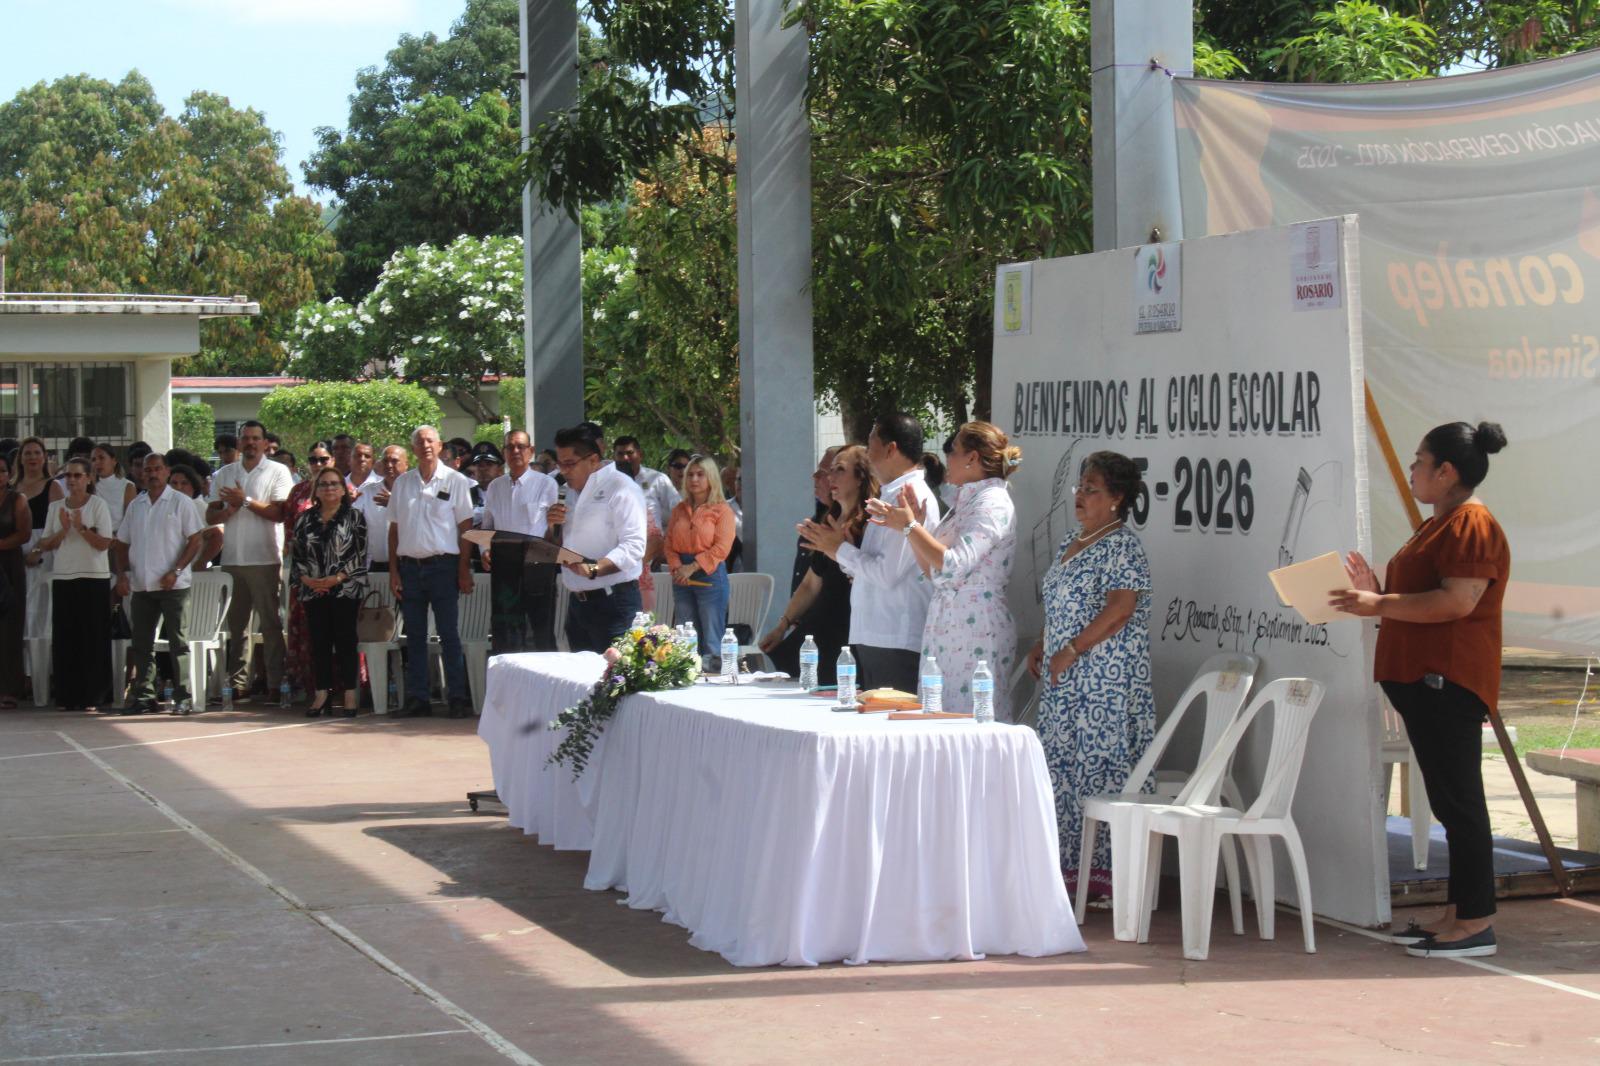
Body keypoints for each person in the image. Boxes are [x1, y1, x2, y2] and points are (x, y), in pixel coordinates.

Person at [1332, 421, 1511, 959]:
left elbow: (1457, 602)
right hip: (1421, 681)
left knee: (1461, 801)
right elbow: (1421, 598)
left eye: (1419, 461)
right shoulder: (1439, 524)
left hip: (1447, 682)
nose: (1412, 471)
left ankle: (1475, 922)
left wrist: (1379, 606)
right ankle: (1458, 913)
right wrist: (1378, 593)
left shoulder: (1472, 525)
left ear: (1446, 471)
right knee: (1449, 801)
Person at [1026, 451, 1154, 897]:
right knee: (1063, 769)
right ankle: (1067, 870)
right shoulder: (1070, 541)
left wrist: (1072, 649)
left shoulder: (1122, 545)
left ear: (1117, 498)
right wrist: (1045, 643)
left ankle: (1103, 881)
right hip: (1066, 680)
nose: (1079, 496)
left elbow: (1120, 609)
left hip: (1104, 682)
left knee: (1099, 769)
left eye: (1092, 490)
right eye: (1079, 487)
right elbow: (1061, 603)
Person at [866, 422, 1021, 716]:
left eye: (952, 449)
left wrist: (910, 526)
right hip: (948, 627)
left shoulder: (993, 503)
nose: (946, 457)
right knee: (939, 718)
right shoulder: (968, 500)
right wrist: (916, 527)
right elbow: (933, 572)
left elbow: (954, 566)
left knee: (971, 723)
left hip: (976, 630)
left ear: (972, 458)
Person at [801, 414, 940, 692]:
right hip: (876, 631)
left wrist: (838, 549)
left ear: (891, 449)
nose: (867, 451)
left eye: (871, 443)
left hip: (895, 634)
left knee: (894, 728)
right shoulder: (889, 494)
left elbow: (886, 574)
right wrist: (842, 551)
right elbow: (873, 568)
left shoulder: (909, 496)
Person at [761, 445, 875, 685]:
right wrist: (782, 625)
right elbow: (811, 583)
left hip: (853, 629)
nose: (830, 478)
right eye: (830, 471)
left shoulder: (871, 524)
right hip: (823, 626)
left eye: (840, 470)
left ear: (860, 477)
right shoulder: (828, 520)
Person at [387, 425, 475, 718]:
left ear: (440, 446)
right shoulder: (402, 484)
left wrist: (463, 570)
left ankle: (458, 697)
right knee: (414, 636)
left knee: (449, 634)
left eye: (430, 441)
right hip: (410, 568)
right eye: (419, 442)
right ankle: (418, 698)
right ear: (413, 449)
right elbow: (394, 530)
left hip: (443, 567)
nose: (425, 445)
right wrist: (394, 572)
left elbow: (466, 528)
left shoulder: (456, 480)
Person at [114, 452, 205, 716]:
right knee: (142, 644)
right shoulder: (136, 505)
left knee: (178, 643)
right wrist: (122, 575)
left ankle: (183, 697)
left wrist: (176, 570)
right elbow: (121, 543)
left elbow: (196, 539)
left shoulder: (180, 502)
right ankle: (145, 697)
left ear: (166, 471)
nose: (152, 474)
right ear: (141, 473)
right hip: (142, 586)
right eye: (147, 469)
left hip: (173, 586)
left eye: (157, 469)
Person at [209, 420, 293, 701]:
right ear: (239, 441)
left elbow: (280, 513)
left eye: (255, 438)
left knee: (270, 624)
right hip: (233, 558)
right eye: (245, 438)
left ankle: (274, 682)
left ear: (265, 443)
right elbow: (210, 516)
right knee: (237, 626)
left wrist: (245, 501)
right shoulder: (224, 473)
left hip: (265, 557)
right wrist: (227, 511)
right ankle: (239, 682)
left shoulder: (277, 471)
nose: (250, 443)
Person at [545, 423, 647, 653]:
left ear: (592, 460)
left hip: (614, 602)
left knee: (618, 683)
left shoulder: (621, 488)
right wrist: (552, 527)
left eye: (569, 463)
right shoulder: (566, 492)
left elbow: (634, 546)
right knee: (581, 685)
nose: (563, 471)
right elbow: (557, 545)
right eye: (560, 463)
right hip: (577, 604)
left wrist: (594, 568)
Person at [291, 466, 369, 718]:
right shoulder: (305, 518)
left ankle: (349, 692)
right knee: (319, 642)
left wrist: (335, 578)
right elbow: (298, 554)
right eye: (323, 484)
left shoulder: (354, 517)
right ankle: (322, 692)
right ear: (316, 489)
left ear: (343, 489)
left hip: (345, 589)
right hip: (313, 590)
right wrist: (309, 580)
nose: (329, 488)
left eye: (334, 483)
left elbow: (359, 553)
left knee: (346, 641)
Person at [40, 457, 116, 711]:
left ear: (88, 478)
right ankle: (67, 695)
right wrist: (63, 530)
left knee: (93, 637)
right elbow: (45, 544)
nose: (72, 480)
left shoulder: (98, 505)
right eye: (68, 476)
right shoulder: (55, 507)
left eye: (77, 475)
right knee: (66, 638)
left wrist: (81, 528)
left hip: (93, 577)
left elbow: (104, 543)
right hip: (64, 576)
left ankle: (94, 695)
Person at [481, 429, 560, 651]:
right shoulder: (495, 487)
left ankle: (544, 684)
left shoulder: (546, 484)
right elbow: (487, 526)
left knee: (540, 631)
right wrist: (484, 550)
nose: (515, 451)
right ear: (504, 452)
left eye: (520, 446)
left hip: (537, 565)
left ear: (531, 451)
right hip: (505, 567)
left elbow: (554, 529)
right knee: (506, 631)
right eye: (510, 447)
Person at [280, 441, 341, 698]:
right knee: (304, 630)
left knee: (335, 629)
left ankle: (339, 687)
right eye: (313, 459)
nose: (318, 464)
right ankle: (309, 686)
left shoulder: (344, 490)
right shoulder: (298, 492)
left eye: (323, 459)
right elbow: (288, 530)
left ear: (333, 461)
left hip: (335, 573)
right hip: (304, 572)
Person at [665, 455, 737, 659]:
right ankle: (686, 673)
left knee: (711, 636)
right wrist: (677, 567)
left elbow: (722, 547)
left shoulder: (722, 510)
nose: (694, 479)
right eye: (690, 475)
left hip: (709, 573)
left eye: (700, 474)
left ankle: (714, 675)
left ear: (711, 478)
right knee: (685, 634)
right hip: (681, 575)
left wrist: (694, 566)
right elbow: (668, 542)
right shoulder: (679, 509)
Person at [17, 438, 63, 666]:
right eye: (28, 453)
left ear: (44, 457)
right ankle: (22, 672)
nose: (32, 457)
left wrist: (37, 550)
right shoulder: (12, 487)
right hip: (15, 553)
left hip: (45, 553)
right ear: (21, 458)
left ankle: (44, 671)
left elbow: (58, 526)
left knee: (43, 612)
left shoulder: (53, 486)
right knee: (21, 612)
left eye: (37, 452)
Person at [0, 454, 29, 708]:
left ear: (9, 474)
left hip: (10, 567)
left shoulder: (17, 499)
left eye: (1, 471)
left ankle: (11, 689)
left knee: (10, 628)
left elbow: (24, 533)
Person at [354, 445, 407, 572]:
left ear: (406, 464)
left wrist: (395, 505)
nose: (389, 465)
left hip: (408, 565)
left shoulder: (416, 491)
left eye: (394, 461)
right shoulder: (367, 491)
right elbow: (353, 521)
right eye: (385, 461)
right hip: (377, 564)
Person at [613, 436, 680, 530]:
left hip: (652, 542)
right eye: (620, 454)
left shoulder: (657, 479)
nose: (625, 458)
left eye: (630, 453)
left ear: (640, 455)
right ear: (614, 457)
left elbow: (679, 508)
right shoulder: (607, 483)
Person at [167, 464, 223, 567]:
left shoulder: (199, 506)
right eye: (174, 483)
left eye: (184, 483)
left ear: (193, 486)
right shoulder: (165, 507)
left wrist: (201, 562)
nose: (178, 487)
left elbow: (218, 535)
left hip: (191, 572)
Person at [91, 444, 136, 529]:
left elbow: (130, 519)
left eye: (101, 458)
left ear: (113, 461)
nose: (97, 462)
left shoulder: (128, 486)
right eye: (93, 460)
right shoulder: (89, 485)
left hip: (118, 536)